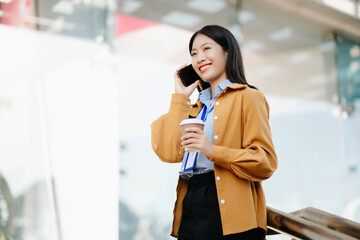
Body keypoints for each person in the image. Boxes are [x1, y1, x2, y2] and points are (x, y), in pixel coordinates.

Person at [151, 25, 278, 240]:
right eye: (194, 53)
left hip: (231, 209)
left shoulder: (248, 97)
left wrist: (212, 150)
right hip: (191, 200)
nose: (200, 57)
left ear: (227, 51)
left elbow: (264, 161)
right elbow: (167, 152)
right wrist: (180, 96)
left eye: (207, 49)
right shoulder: (194, 108)